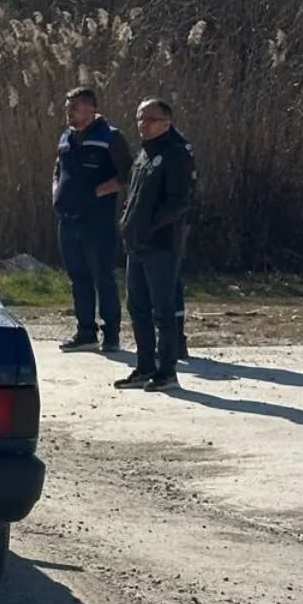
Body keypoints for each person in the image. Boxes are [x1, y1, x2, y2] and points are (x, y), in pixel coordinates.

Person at [114, 99, 195, 394]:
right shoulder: (145, 152)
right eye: (139, 118)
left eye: (150, 119)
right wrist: (126, 223)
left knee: (163, 309)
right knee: (137, 308)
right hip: (136, 243)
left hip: (161, 243)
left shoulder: (176, 152)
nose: (142, 124)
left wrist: (150, 225)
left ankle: (167, 371)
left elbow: (179, 201)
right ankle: (145, 366)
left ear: (166, 122)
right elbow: (135, 194)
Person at [52, 87, 133, 352]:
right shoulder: (66, 137)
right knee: (78, 277)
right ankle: (85, 332)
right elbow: (57, 169)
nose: (69, 111)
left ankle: (111, 334)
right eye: (67, 106)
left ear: (91, 108)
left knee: (102, 276)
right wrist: (56, 192)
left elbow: (126, 174)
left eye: (74, 106)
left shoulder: (110, 137)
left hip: (97, 220)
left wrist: (96, 193)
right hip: (68, 219)